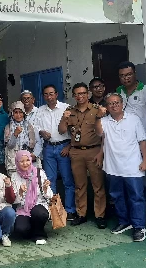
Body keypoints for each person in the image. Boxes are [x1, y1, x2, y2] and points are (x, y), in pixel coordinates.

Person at [100, 93, 146, 242]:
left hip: (133, 165)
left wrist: (145, 160)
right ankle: (124, 221)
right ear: (107, 107)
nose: (114, 106)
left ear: (122, 104)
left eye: (116, 103)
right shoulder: (104, 121)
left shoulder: (133, 119)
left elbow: (142, 141)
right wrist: (98, 116)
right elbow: (98, 133)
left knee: (136, 197)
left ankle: (139, 226)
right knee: (117, 196)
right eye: (110, 104)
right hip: (113, 166)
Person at [58, 82, 108, 229]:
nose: (80, 96)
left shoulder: (97, 110)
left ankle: (100, 215)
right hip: (76, 152)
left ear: (87, 94)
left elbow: (105, 133)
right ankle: (81, 214)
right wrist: (63, 117)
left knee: (98, 185)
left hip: (94, 150)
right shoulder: (70, 111)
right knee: (79, 185)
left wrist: (101, 152)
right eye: (77, 94)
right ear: (74, 96)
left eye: (83, 93)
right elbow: (61, 131)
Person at [116, 61, 146, 224]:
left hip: (143, 142)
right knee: (130, 178)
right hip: (125, 145)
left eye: (129, 74)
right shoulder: (118, 93)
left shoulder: (145, 91)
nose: (126, 78)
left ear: (134, 74)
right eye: (122, 76)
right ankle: (135, 211)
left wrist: (143, 139)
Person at [35, 84, 76, 220]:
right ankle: (54, 211)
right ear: (43, 96)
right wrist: (41, 132)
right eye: (46, 94)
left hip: (63, 147)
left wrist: (69, 146)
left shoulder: (66, 108)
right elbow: (37, 128)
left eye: (51, 93)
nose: (49, 97)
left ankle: (70, 210)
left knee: (67, 180)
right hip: (48, 148)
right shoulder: (40, 111)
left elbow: (74, 131)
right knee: (50, 181)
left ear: (57, 94)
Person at [11, 150, 53, 245]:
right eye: (22, 161)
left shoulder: (39, 172)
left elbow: (49, 196)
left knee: (39, 213)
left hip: (39, 204)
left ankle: (39, 234)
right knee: (20, 230)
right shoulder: (14, 176)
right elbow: (14, 201)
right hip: (23, 208)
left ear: (31, 160)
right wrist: (20, 192)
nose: (25, 164)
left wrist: (45, 188)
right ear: (17, 162)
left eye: (27, 160)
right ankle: (32, 229)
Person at [5, 101, 40, 176]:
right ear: (12, 114)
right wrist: (15, 134)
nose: (18, 115)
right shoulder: (8, 127)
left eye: (20, 112)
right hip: (14, 162)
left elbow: (37, 142)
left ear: (24, 113)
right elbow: (9, 146)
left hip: (28, 161)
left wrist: (34, 154)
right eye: (16, 112)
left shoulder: (29, 126)